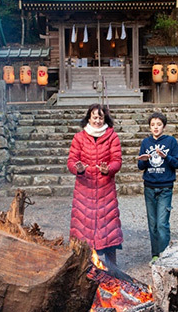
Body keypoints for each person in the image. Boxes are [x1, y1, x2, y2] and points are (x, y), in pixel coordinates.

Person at [67, 104, 123, 265]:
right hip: (84, 188)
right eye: (94, 117)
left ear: (105, 119)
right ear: (88, 118)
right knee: (83, 227)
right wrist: (78, 169)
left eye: (100, 117)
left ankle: (112, 267)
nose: (97, 120)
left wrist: (108, 169)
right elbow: (71, 161)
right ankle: (85, 265)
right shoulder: (79, 137)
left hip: (105, 188)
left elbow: (117, 161)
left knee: (108, 227)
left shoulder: (112, 137)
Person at [137, 112, 178, 265]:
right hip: (149, 186)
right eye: (152, 125)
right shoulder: (146, 142)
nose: (155, 128)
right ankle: (155, 255)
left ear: (164, 126)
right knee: (153, 224)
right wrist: (144, 161)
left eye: (158, 124)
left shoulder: (171, 142)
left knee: (162, 223)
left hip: (165, 187)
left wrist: (165, 157)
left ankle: (165, 256)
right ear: (149, 127)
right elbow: (140, 166)